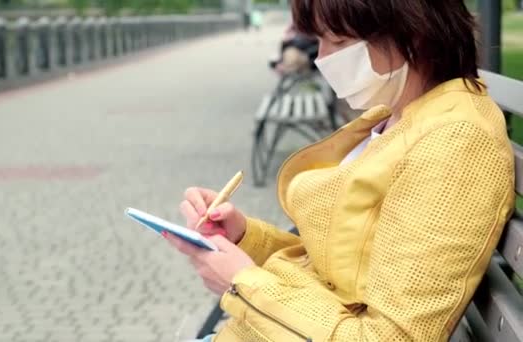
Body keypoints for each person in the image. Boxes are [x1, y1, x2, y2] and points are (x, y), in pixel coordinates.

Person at [166, 0, 515, 341]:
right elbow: (334, 268)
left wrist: (241, 283)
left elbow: (392, 335)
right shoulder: (398, 114)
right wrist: (244, 237)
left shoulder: (456, 142)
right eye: (319, 40)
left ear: (414, 33)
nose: (322, 57)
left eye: (339, 41)